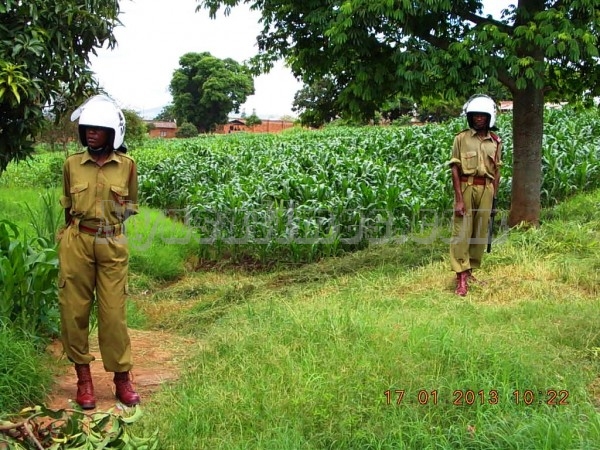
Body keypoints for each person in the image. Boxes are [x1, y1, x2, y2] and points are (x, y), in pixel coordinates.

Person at [57, 95, 141, 409]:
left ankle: (122, 379)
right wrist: (70, 239)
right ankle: (84, 380)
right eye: (87, 128)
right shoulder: (72, 165)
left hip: (111, 243)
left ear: (113, 134)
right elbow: (67, 206)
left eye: (99, 129)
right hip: (77, 241)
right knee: (74, 311)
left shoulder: (127, 166)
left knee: (113, 314)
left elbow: (130, 204)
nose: (91, 133)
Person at [448, 94, 502, 296]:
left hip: (486, 189)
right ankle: (460, 277)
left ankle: (470, 270)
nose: (478, 119)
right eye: (475, 116)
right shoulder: (461, 138)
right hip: (467, 187)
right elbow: (454, 168)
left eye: (482, 116)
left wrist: (494, 196)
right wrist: (459, 199)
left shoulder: (496, 142)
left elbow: (497, 171)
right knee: (462, 231)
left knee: (479, 232)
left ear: (489, 118)